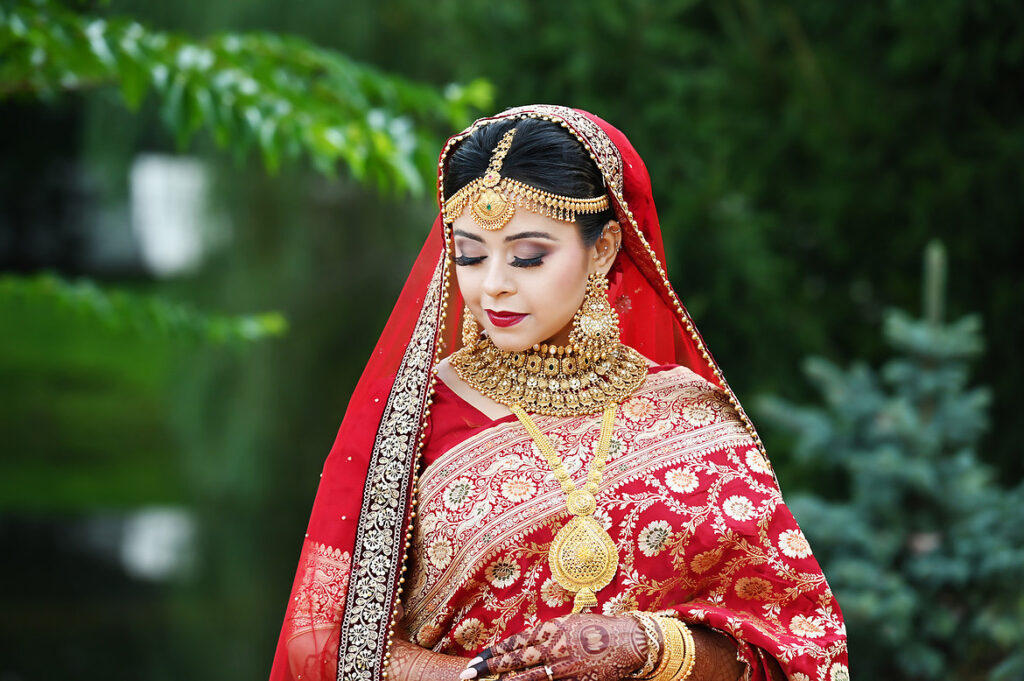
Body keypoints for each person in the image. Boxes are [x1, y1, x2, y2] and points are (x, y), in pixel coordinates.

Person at [268, 105, 848, 681]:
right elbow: (318, 641)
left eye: (528, 257)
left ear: (603, 248)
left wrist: (649, 645)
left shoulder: (693, 413)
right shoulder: (408, 423)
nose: (494, 284)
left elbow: (800, 645)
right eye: (470, 255)